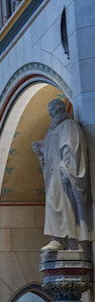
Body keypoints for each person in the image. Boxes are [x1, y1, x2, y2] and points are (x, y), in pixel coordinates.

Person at [32, 98, 92, 249]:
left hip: (63, 174)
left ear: (61, 110)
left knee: (64, 205)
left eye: (54, 111)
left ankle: (70, 242)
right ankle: (57, 239)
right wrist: (41, 149)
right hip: (53, 175)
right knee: (54, 204)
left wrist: (67, 169)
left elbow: (71, 148)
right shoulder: (53, 130)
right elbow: (50, 152)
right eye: (50, 112)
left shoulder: (68, 125)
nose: (51, 114)